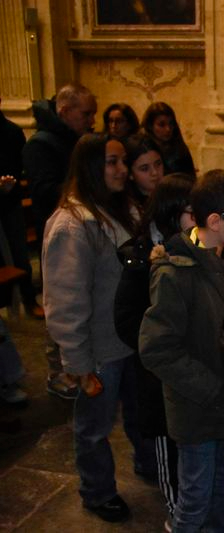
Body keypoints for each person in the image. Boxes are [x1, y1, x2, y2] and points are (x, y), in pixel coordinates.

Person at [139, 170, 224, 532]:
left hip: (223, 399)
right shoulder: (176, 272)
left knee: (222, 487)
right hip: (197, 406)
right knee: (195, 497)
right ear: (215, 221)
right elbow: (156, 348)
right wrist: (210, 387)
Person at [42, 133, 148, 523]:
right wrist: (78, 360)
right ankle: (97, 491)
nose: (122, 170)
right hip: (100, 348)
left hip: (129, 340)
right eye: (112, 162)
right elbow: (65, 299)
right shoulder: (72, 225)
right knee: (94, 428)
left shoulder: (122, 209)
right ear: (89, 167)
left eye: (123, 161)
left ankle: (147, 464)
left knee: (138, 414)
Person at [114, 173, 195, 528]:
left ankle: (195, 499)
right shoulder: (143, 257)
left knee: (193, 443)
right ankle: (178, 511)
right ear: (173, 212)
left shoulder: (196, 248)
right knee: (168, 445)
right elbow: (127, 319)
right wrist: (160, 345)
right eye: (194, 210)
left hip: (189, 366)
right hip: (158, 375)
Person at [23, 82, 97, 399]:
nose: (92, 120)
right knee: (64, 300)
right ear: (65, 111)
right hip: (59, 231)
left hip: (79, 225)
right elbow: (43, 191)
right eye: (86, 114)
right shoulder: (41, 145)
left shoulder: (73, 140)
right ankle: (59, 371)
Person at [0, 97, 43, 319]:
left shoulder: (12, 132)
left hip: (9, 202)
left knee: (19, 254)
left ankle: (28, 299)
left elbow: (19, 166)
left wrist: (9, 182)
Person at [142, 102, 196, 177]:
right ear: (150, 126)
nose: (168, 129)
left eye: (171, 124)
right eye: (161, 125)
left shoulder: (179, 149)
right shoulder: (143, 149)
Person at [124, 134, 165, 209]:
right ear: (130, 174)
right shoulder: (130, 208)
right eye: (145, 169)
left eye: (158, 164)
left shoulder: (174, 194)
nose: (154, 172)